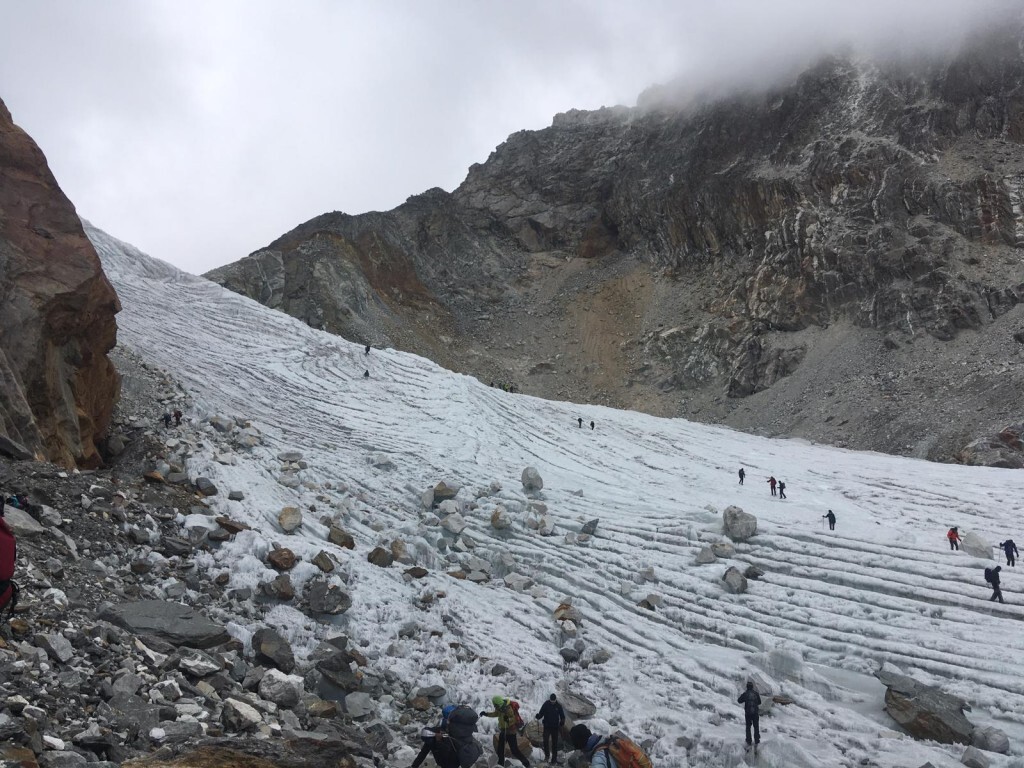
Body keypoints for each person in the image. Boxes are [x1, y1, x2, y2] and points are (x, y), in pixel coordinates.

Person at [568, 724, 651, 768]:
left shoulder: (598, 759)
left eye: (579, 748)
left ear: (582, 746)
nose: (581, 752)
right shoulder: (607, 742)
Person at [480, 696, 530, 768]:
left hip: (510, 732)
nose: (494, 706)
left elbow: (513, 719)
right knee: (500, 750)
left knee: (514, 750)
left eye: (495, 704)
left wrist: (508, 720)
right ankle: (500, 765)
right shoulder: (500, 708)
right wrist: (486, 714)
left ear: (498, 703)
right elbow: (495, 714)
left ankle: (526, 763)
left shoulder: (508, 709)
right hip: (504, 731)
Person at [535, 694, 565, 764]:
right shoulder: (546, 704)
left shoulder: (558, 706)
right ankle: (547, 756)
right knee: (545, 741)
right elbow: (541, 713)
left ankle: (554, 760)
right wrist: (538, 716)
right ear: (550, 699)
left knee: (554, 744)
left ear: (555, 700)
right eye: (551, 701)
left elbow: (562, 716)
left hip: (555, 727)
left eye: (553, 701)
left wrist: (562, 722)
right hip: (547, 726)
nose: (552, 702)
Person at [737, 681, 761, 753]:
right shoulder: (756, 694)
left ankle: (749, 740)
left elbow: (739, 700)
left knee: (748, 727)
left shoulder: (745, 694)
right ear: (752, 687)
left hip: (748, 714)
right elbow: (759, 702)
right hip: (755, 713)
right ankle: (757, 740)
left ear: (747, 687)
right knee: (756, 727)